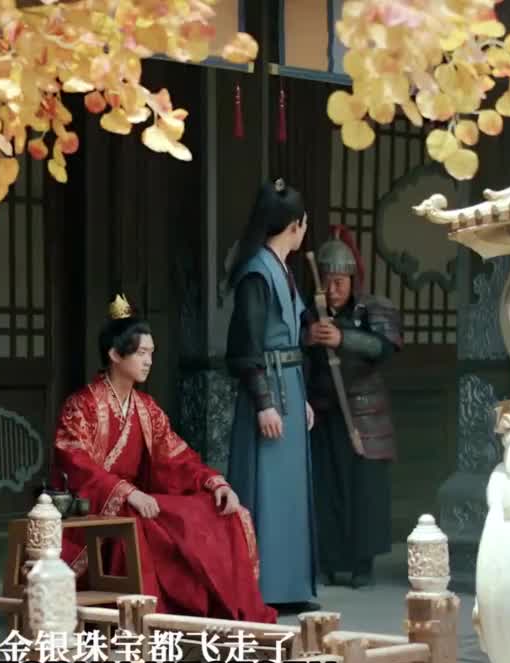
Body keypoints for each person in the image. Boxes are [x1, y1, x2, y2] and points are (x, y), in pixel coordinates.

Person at [52, 294, 277, 624]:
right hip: (96, 506)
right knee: (145, 520)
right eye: (141, 353)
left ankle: (216, 611)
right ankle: (154, 617)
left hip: (137, 502)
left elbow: (176, 457)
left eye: (151, 353)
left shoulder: (147, 408)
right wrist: (127, 493)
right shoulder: (81, 406)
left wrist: (214, 482)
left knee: (213, 513)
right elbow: (77, 463)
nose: (148, 361)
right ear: (114, 354)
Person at [224, 179, 319, 615]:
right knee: (265, 489)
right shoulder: (257, 273)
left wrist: (300, 398)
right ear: (295, 225)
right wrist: (264, 402)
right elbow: (247, 345)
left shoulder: (282, 269)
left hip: (290, 385)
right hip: (268, 390)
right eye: (304, 223)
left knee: (290, 492)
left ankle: (290, 584)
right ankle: (262, 587)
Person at [302, 227, 401, 588]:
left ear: (352, 280)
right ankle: (329, 561)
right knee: (327, 490)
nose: (333, 289)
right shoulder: (310, 313)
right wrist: (308, 338)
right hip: (324, 414)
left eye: (340, 282)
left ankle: (362, 564)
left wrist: (343, 338)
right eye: (328, 281)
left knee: (364, 492)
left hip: (364, 415)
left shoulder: (372, 308)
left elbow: (384, 347)